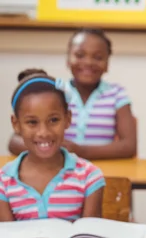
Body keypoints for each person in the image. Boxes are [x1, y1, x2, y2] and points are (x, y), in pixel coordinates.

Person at [8, 28, 137, 160]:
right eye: (80, 55)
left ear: (107, 64)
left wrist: (81, 151)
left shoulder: (116, 94)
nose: (88, 62)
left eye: (98, 57)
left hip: (103, 172)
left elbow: (129, 146)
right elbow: (14, 142)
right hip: (59, 171)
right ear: (68, 60)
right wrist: (51, 148)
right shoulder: (55, 92)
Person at [0, 70, 105, 221]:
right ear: (16, 124)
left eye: (54, 120)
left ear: (67, 119)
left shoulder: (89, 177)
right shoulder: (4, 181)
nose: (43, 132)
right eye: (32, 122)